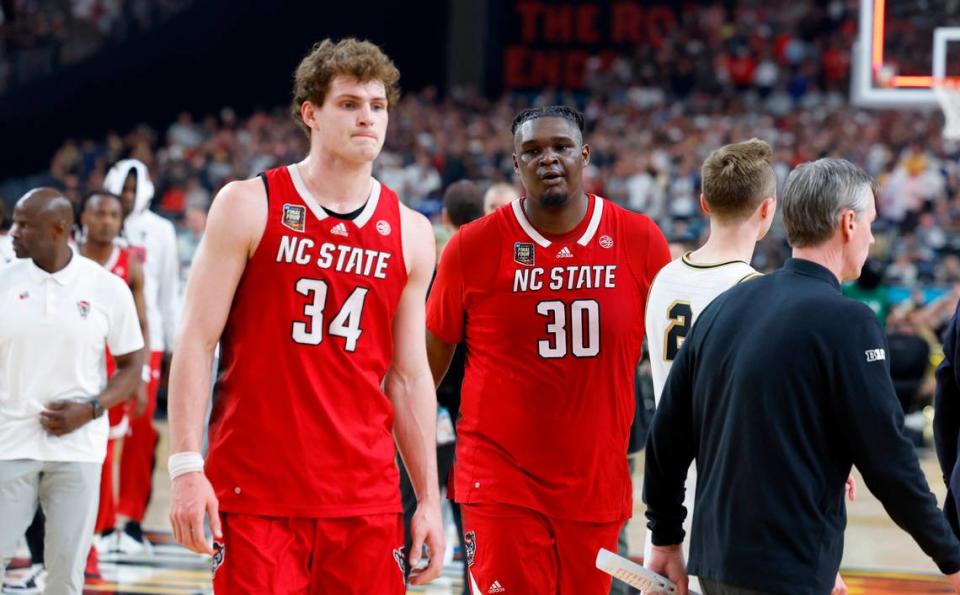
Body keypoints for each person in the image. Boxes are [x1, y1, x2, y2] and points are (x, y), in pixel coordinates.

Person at [167, 38, 444, 593]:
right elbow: (197, 342)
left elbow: (409, 375)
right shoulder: (248, 203)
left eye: (377, 105)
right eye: (349, 104)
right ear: (310, 113)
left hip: (367, 498)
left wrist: (430, 502)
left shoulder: (411, 230)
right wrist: (184, 467)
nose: (367, 117)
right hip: (256, 493)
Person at [645, 158, 960, 595]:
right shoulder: (850, 320)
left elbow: (667, 435)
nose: (872, 237)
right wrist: (951, 555)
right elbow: (888, 460)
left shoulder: (726, 305)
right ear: (849, 223)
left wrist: (665, 535)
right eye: (870, 222)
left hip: (715, 563)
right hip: (786, 568)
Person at [426, 105, 671, 594]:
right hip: (498, 482)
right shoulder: (471, 248)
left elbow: (673, 367)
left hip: (597, 483)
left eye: (561, 147)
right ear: (516, 165)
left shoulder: (640, 239)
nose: (549, 159)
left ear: (584, 155)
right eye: (533, 151)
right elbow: (426, 367)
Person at [0, 188, 144, 595]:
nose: (14, 232)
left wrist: (92, 408)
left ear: (59, 229)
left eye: (25, 225)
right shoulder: (3, 281)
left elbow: (132, 365)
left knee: (65, 578)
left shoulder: (106, 288)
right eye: (15, 221)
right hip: (8, 445)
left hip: (77, 450)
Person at [400, 180, 482, 594]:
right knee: (469, 513)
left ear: (445, 216)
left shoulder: (427, 259)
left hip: (427, 400)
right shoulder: (488, 256)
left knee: (412, 499)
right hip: (470, 408)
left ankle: (398, 575)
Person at [102, 158, 180, 553]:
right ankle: (101, 526)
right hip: (105, 342)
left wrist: (171, 349)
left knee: (141, 434)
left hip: (149, 343)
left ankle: (130, 523)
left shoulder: (161, 231)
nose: (129, 196)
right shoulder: (99, 222)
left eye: (135, 189)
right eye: (124, 188)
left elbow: (167, 291)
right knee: (101, 434)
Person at [77, 191, 151, 579]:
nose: (106, 220)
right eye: (99, 213)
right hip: (72, 370)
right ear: (83, 216)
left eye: (112, 215)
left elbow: (141, 323)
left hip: (115, 373)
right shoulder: (65, 256)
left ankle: (98, 532)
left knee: (103, 459)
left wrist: (140, 377)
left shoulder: (130, 264)